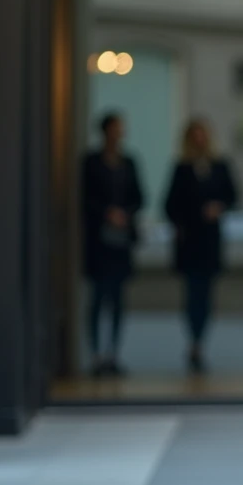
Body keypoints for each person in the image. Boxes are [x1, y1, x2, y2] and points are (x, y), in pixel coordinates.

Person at [164, 119, 239, 374]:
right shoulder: (181, 169)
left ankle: (200, 341)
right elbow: (170, 205)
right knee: (192, 294)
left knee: (206, 295)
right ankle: (194, 341)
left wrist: (218, 208)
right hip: (190, 241)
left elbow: (233, 196)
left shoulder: (220, 166)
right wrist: (191, 215)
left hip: (210, 241)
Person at [81, 112, 145, 378]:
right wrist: (107, 212)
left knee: (118, 299)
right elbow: (84, 198)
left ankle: (113, 353)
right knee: (98, 298)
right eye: (116, 129)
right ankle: (96, 354)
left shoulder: (129, 163)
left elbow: (139, 196)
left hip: (121, 242)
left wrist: (125, 214)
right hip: (99, 241)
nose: (119, 134)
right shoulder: (91, 163)